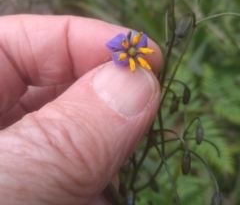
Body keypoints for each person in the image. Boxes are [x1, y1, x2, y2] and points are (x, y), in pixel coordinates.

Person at [0, 15, 162, 204]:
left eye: (136, 46)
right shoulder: (126, 51)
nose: (134, 48)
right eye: (132, 46)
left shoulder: (127, 50)